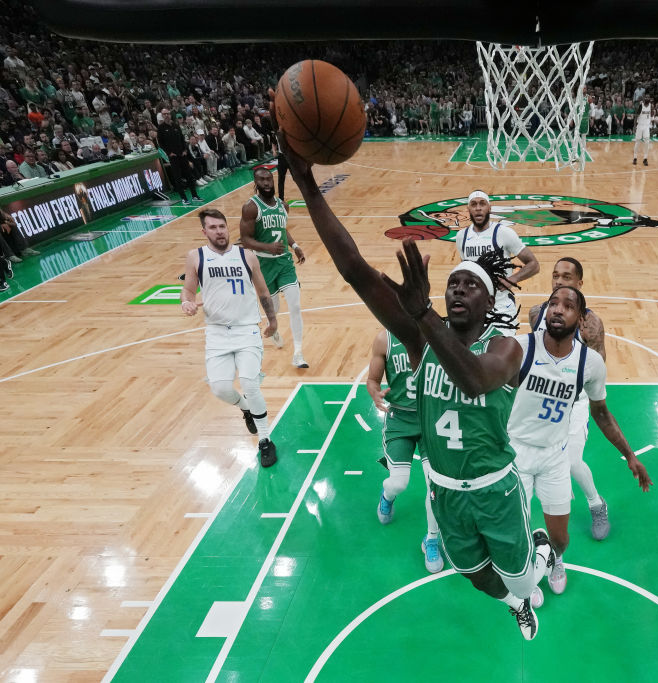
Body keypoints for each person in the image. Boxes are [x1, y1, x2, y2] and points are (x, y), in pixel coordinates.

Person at [278, 117, 553, 641]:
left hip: (497, 489)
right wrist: (308, 185)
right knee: (477, 579)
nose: (456, 290)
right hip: (445, 490)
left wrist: (423, 314)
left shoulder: (506, 347)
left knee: (521, 578)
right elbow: (354, 267)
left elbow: (473, 381)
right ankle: (514, 600)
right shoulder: (421, 334)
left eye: (469, 286)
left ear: (490, 301)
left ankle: (536, 560)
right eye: (452, 284)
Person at [512, 284, 652, 599]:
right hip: (515, 453)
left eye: (568, 305)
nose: (558, 309)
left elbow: (601, 413)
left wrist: (630, 456)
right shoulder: (519, 348)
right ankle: (526, 578)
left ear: (581, 320)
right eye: (553, 303)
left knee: (561, 537)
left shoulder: (590, 363)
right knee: (514, 534)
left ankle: (553, 557)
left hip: (555, 457)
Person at [180, 208, 279, 468]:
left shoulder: (247, 256)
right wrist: (186, 303)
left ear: (227, 228)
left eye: (222, 226)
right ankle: (245, 407)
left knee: (249, 382)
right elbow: (188, 290)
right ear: (204, 232)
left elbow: (263, 290)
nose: (219, 231)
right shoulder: (196, 257)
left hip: (247, 329)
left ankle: (266, 440)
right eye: (212, 227)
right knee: (221, 389)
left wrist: (273, 320)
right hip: (216, 333)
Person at [528, 257, 611, 539]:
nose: (559, 281)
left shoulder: (591, 323)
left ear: (579, 283)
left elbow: (598, 368)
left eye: (566, 277)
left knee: (572, 461)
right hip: (539, 398)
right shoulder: (537, 313)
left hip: (573, 402)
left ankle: (596, 504)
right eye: (555, 276)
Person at [366, 328, 443, 574]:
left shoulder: (437, 335)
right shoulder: (384, 339)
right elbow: (372, 380)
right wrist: (375, 393)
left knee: (435, 488)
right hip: (399, 419)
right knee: (399, 483)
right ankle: (387, 496)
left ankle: (431, 539)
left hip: (431, 419)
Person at [239, 167, 309, 368]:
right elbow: (245, 239)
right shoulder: (251, 207)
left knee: (295, 306)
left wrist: (295, 246)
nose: (267, 183)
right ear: (256, 183)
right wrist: (267, 247)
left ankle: (298, 353)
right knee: (274, 308)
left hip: (285, 263)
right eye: (262, 180)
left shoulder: (283, 205)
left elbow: (282, 229)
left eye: (269, 179)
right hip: (263, 265)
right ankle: (273, 326)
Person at [454, 191, 539, 333]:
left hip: (501, 304)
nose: (478, 208)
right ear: (468, 209)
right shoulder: (461, 236)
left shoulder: (504, 233)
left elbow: (534, 265)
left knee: (501, 351)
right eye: (474, 204)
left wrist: (512, 279)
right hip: (474, 307)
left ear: (489, 208)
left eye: (482, 203)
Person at [633, 95, 653, 166]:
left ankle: (645, 159)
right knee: (637, 141)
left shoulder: (651, 106)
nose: (647, 98)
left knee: (647, 142)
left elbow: (651, 115)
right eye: (646, 97)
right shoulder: (641, 106)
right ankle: (635, 158)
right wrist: (634, 126)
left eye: (648, 97)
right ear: (644, 99)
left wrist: (651, 123)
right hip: (640, 125)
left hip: (646, 126)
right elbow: (636, 116)